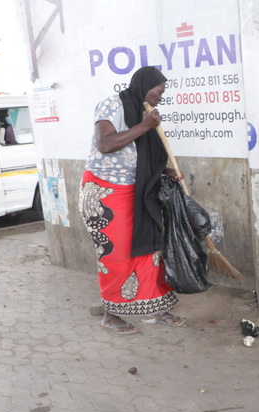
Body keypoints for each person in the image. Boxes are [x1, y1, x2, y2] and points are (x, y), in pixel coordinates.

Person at [80, 66, 186, 335]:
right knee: (115, 253)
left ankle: (155, 306)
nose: (161, 97)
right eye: (159, 91)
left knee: (148, 247)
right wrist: (144, 126)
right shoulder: (113, 105)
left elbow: (142, 154)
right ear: (146, 85)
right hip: (105, 192)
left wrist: (165, 170)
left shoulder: (144, 110)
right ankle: (111, 314)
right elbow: (106, 144)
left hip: (136, 190)